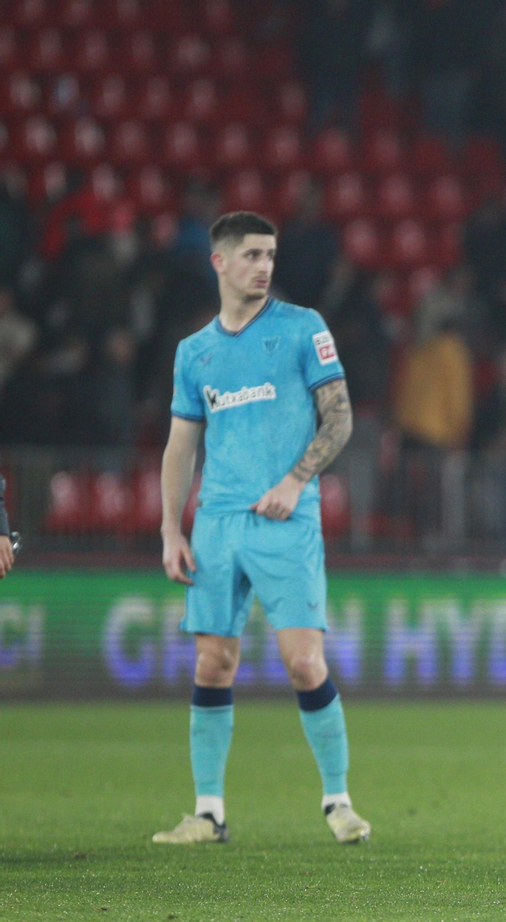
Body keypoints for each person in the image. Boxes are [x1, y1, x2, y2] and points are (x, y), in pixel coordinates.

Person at [154, 212, 369, 846]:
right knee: (213, 662)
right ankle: (209, 813)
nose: (265, 265)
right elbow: (180, 447)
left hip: (285, 520)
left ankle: (338, 802)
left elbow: (340, 420)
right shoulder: (194, 353)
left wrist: (295, 482)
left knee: (303, 662)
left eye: (270, 254)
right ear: (219, 262)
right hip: (218, 524)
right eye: (251, 254)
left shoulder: (304, 329)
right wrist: (172, 528)